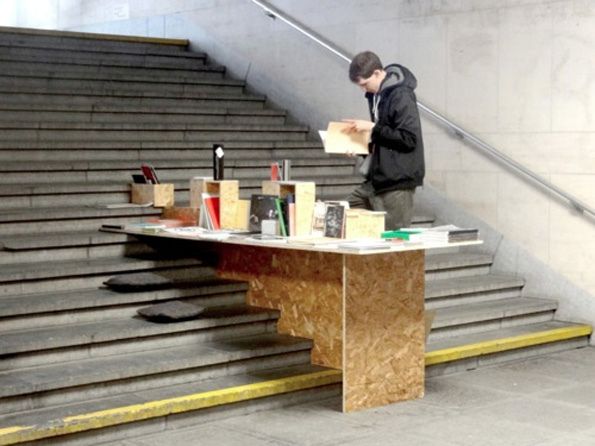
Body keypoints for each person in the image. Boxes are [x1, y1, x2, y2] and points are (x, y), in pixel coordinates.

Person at [343, 51, 425, 230]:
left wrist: (372, 128)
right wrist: (360, 147)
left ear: (378, 73)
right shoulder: (376, 96)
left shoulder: (401, 95)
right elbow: (383, 138)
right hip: (377, 178)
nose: (363, 90)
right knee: (343, 214)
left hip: (396, 180)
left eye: (365, 84)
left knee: (394, 239)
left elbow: (409, 139)